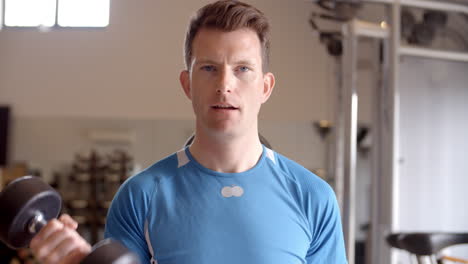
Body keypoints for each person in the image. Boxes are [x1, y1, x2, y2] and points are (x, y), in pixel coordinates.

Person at [30, 1, 347, 263]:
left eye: (243, 69)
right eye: (209, 68)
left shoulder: (313, 197)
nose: (225, 85)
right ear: (187, 84)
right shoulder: (140, 196)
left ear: (265, 87)